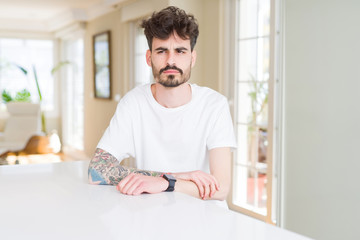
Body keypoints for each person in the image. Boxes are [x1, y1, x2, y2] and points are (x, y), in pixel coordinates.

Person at [88, 6, 236, 204]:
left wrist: (167, 183)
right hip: (152, 216)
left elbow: (221, 188)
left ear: (192, 58)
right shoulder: (133, 103)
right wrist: (173, 176)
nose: (171, 60)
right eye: (162, 51)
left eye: (180, 51)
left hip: (206, 222)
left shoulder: (214, 105)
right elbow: (97, 170)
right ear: (149, 58)